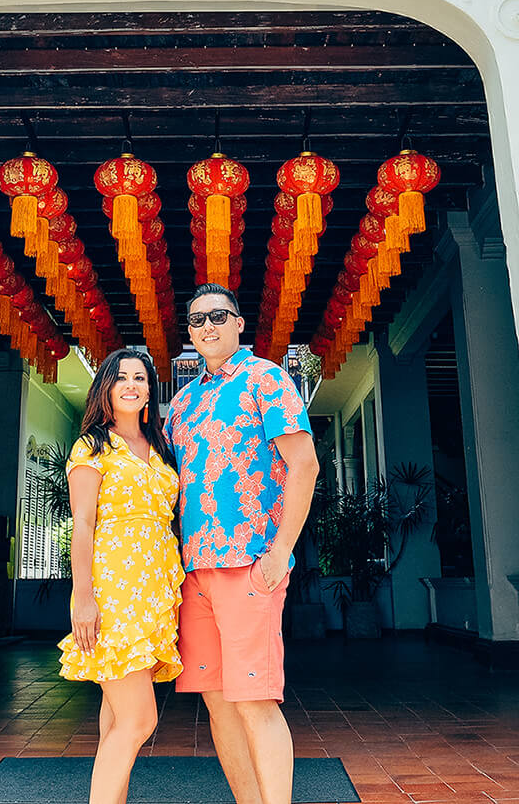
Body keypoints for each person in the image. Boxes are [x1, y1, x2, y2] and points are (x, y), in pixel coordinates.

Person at [164, 284, 321, 804]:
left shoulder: (267, 380)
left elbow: (305, 464)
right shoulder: (182, 404)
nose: (206, 326)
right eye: (196, 320)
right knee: (216, 699)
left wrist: (279, 552)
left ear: (238, 324)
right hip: (195, 572)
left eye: (217, 316)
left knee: (255, 699)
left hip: (249, 563)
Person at [57, 346, 185, 804]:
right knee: (139, 721)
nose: (131, 384)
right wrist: (82, 597)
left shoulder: (162, 447)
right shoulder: (92, 445)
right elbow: (84, 523)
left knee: (115, 720)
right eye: (121, 377)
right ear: (106, 389)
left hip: (155, 592)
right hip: (114, 591)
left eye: (140, 377)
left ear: (150, 389)